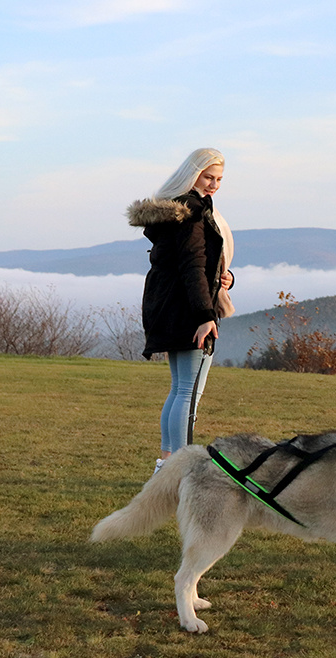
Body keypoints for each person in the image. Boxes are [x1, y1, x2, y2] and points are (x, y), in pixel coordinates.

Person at [126, 148, 236, 474]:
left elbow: (193, 264)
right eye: (208, 177)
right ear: (193, 174)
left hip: (168, 308)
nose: (214, 184)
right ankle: (183, 470)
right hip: (189, 311)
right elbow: (192, 266)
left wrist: (225, 276)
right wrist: (205, 315)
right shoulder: (192, 211)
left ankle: (167, 464)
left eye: (218, 179)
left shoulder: (176, 210)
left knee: (179, 389)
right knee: (188, 391)